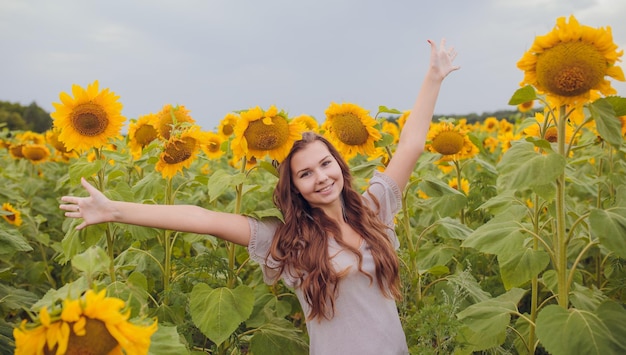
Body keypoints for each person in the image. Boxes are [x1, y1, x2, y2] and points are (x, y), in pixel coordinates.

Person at [60, 38, 459, 355]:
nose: (320, 178)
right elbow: (205, 219)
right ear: (294, 188)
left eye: (325, 164)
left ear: (339, 164)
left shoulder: (375, 209)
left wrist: (434, 78)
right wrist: (114, 209)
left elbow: (411, 145)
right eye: (305, 173)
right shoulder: (287, 242)